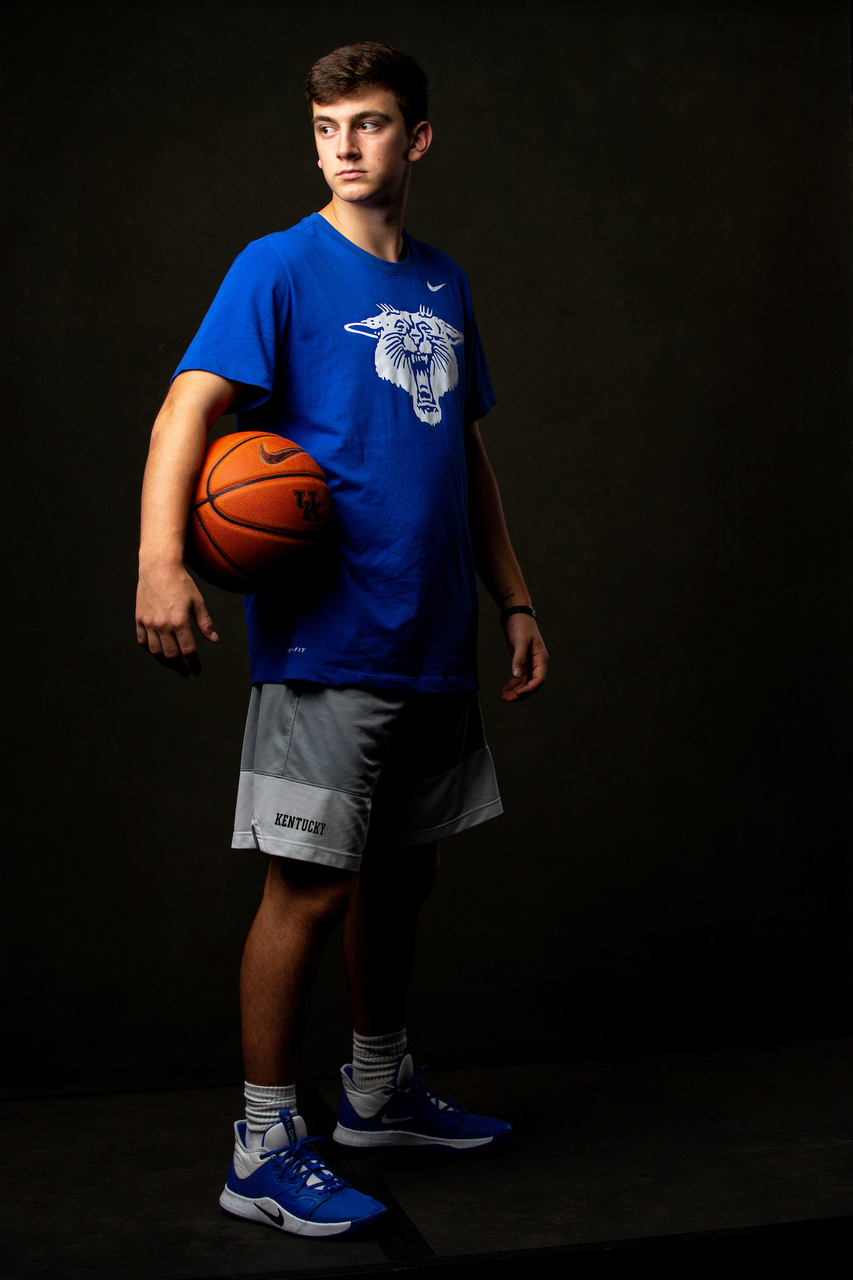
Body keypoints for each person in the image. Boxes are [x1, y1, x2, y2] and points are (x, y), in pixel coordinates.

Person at [135, 41, 548, 1239]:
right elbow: (187, 407)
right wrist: (162, 559)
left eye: (369, 124)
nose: (347, 146)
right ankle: (264, 1142)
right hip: (328, 643)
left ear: (417, 138)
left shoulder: (443, 284)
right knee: (308, 887)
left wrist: (513, 596)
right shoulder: (276, 268)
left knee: (403, 877)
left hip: (432, 637)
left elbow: (464, 455)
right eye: (328, 127)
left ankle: (376, 1090)